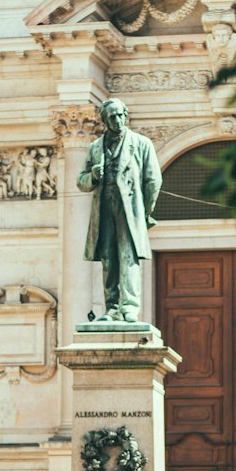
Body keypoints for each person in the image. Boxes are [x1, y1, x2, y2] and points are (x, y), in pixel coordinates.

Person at [78, 96, 162, 323]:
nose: (117, 119)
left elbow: (153, 179)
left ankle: (130, 307)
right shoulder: (96, 147)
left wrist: (144, 212)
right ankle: (112, 307)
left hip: (130, 210)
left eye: (120, 115)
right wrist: (93, 176)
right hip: (104, 209)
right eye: (111, 116)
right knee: (108, 258)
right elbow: (81, 181)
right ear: (104, 120)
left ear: (126, 115)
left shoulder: (142, 144)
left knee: (128, 257)